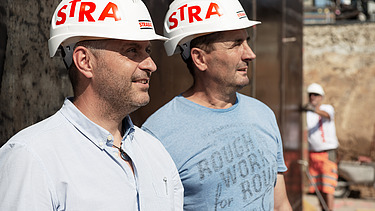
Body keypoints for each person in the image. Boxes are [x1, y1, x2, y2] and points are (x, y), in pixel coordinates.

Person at [0, 0, 183, 210]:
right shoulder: (31, 158)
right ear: (85, 62)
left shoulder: (155, 152)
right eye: (132, 50)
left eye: (147, 50)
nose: (151, 64)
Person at [142, 0, 292, 210]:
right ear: (200, 59)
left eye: (247, 42)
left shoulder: (263, 114)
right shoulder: (157, 135)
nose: (250, 54)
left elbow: (280, 204)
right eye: (236, 44)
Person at [303, 83, 339, 211]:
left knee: (328, 186)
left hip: (327, 153)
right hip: (313, 155)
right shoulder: (307, 114)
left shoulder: (326, 108)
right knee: (318, 187)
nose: (313, 97)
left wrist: (312, 109)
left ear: (321, 97)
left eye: (316, 94)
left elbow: (327, 115)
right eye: (311, 94)